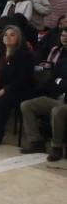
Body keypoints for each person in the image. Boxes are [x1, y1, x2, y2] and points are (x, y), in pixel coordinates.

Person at [0, 25, 35, 146]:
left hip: (16, 91)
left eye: (12, 35)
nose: (8, 37)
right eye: (6, 34)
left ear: (19, 38)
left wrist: (2, 91)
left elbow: (22, 79)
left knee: (3, 100)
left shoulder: (25, 56)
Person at [20, 27, 67, 161]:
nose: (64, 38)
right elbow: (53, 80)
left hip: (64, 103)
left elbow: (59, 81)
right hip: (57, 97)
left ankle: (56, 147)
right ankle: (36, 142)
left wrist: (61, 81)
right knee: (27, 105)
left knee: (57, 111)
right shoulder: (63, 61)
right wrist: (60, 82)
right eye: (63, 35)